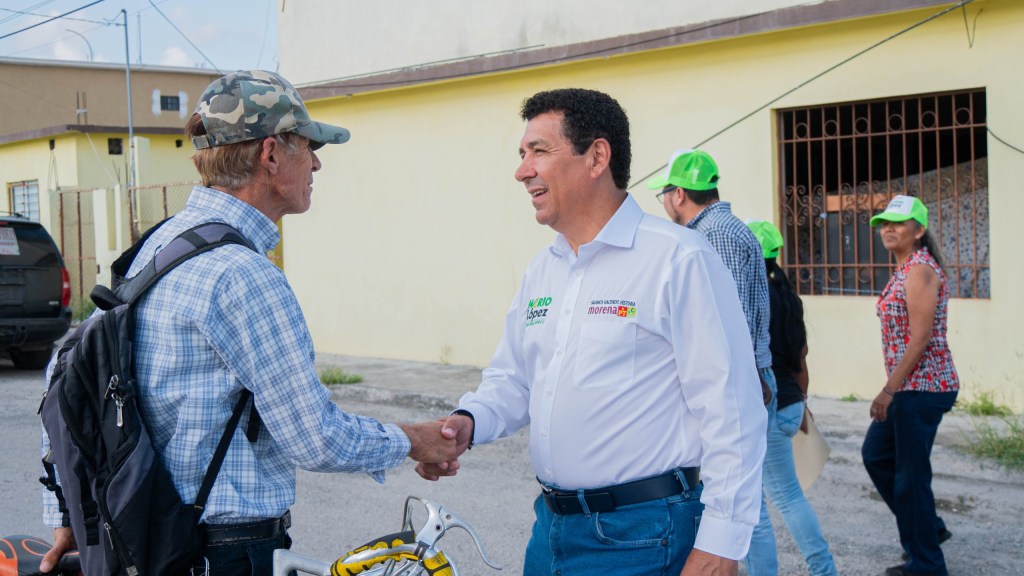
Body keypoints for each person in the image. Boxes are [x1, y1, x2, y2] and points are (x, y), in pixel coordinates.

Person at [40, 70, 457, 576]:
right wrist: (413, 439)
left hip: (143, 543)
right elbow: (314, 437)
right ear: (271, 155)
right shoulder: (243, 274)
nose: (317, 163)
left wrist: (71, 517)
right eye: (308, 147)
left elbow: (66, 374)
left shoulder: (157, 245)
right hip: (225, 553)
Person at [417, 88, 767, 576]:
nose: (522, 171)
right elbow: (513, 380)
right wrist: (466, 422)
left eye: (539, 151)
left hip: (645, 535)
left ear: (597, 156)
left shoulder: (678, 259)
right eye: (522, 154)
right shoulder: (544, 269)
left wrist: (721, 545)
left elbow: (733, 408)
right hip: (551, 531)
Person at [649, 149, 779, 575]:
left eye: (663, 195)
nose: (663, 204)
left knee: (742, 505)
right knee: (743, 500)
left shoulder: (713, 234)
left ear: (679, 194)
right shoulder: (729, 227)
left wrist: (745, 380)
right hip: (751, 374)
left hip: (741, 378)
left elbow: (726, 322)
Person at [861, 195, 959, 576]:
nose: (888, 229)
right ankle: (928, 528)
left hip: (924, 387)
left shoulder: (919, 270)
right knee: (876, 455)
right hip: (911, 387)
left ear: (918, 231)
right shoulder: (906, 269)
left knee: (910, 479)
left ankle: (927, 564)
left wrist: (888, 390)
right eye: (884, 223)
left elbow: (920, 339)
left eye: (898, 223)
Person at [746, 220, 838, 576]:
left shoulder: (754, 298)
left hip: (768, 406)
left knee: (769, 502)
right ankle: (824, 569)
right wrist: (802, 402)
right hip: (791, 402)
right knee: (788, 495)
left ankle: (823, 570)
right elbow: (801, 357)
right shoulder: (788, 297)